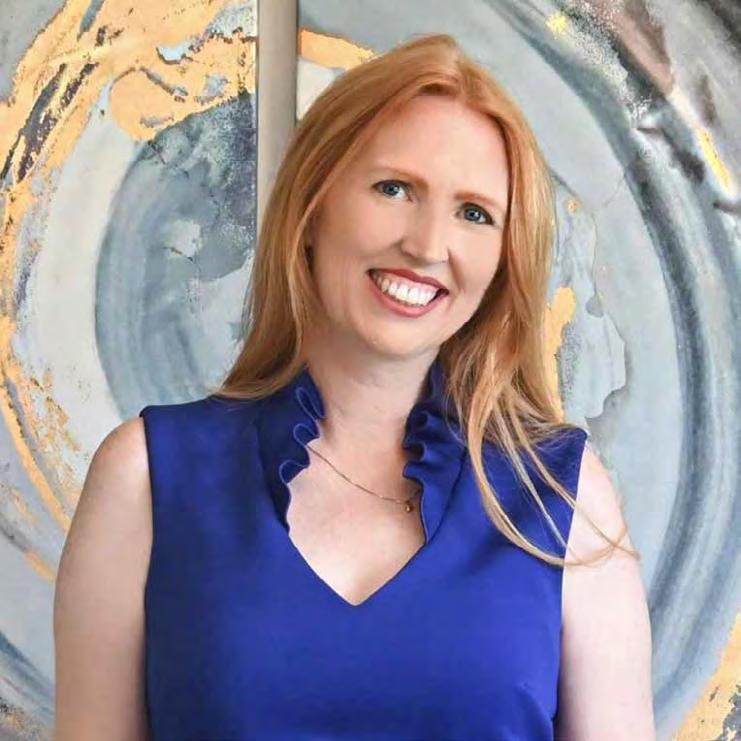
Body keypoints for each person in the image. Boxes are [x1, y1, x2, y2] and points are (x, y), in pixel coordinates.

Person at [53, 33, 655, 740]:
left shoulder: (562, 495)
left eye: (474, 213)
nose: (427, 245)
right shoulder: (146, 476)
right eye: (393, 189)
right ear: (313, 207)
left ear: (503, 259)